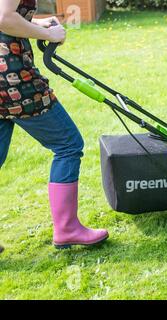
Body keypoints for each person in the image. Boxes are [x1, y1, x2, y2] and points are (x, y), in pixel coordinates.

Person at [0, 0, 109, 252]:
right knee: (68, 144)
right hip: (13, 80)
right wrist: (48, 34)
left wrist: (36, 23)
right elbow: (4, 18)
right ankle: (67, 228)